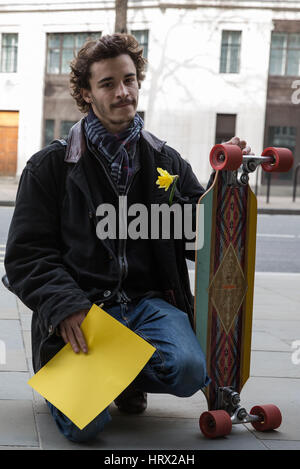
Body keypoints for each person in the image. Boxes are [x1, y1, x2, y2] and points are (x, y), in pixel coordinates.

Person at [4, 33, 252, 443]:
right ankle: (76, 375)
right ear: (86, 93)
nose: (123, 92)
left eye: (130, 79)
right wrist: (65, 306)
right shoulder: (50, 166)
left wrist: (222, 185)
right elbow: (26, 255)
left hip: (148, 304)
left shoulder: (166, 161)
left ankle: (116, 374)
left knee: (190, 370)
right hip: (84, 313)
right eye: (107, 84)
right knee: (88, 427)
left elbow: (198, 236)